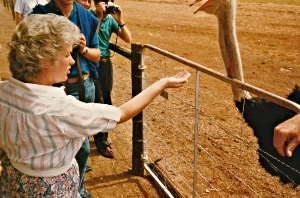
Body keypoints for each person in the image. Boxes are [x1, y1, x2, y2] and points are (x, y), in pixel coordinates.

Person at [0, 13, 190, 197]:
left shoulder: (3, 91)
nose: (72, 61)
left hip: (12, 181)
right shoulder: (61, 109)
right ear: (46, 61)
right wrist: (161, 83)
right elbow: (121, 113)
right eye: (67, 55)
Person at [31, 0, 101, 197]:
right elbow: (30, 52)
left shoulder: (86, 17)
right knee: (52, 141)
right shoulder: (40, 14)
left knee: (83, 146)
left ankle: (76, 190)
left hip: (83, 86)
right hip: (52, 88)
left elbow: (98, 54)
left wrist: (83, 49)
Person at [90, 0, 132, 159]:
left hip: (106, 64)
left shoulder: (111, 20)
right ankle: (102, 143)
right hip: (93, 63)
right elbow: (90, 35)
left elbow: (128, 38)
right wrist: (99, 18)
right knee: (98, 100)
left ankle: (103, 136)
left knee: (106, 100)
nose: (107, 6)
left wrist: (120, 20)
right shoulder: (90, 16)